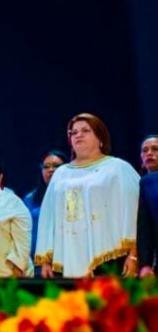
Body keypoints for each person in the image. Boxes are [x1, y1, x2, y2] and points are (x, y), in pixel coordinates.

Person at [35, 113, 140, 278]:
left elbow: (135, 214)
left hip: (109, 254)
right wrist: (46, 260)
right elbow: (48, 218)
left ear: (101, 138)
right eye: (74, 132)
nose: (78, 135)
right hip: (67, 255)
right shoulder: (61, 173)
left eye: (85, 130)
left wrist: (134, 255)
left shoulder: (118, 168)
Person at [22, 150, 68, 262]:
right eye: (46, 167)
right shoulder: (31, 199)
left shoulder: (75, 196)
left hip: (67, 259)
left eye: (56, 166)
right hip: (37, 260)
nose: (51, 170)